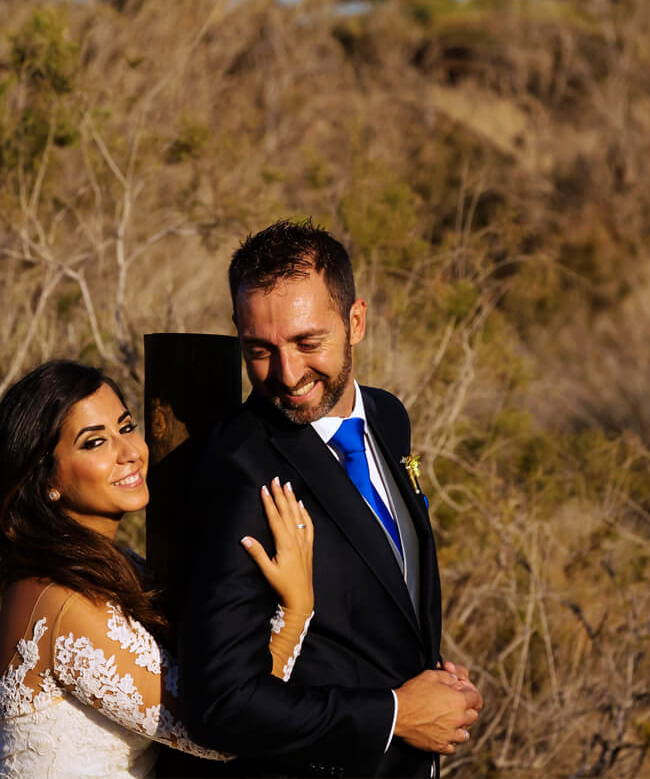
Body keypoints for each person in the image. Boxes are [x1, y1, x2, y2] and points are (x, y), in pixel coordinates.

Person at [180, 220, 482, 776]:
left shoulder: (389, 418)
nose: (288, 373)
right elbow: (220, 704)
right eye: (260, 349)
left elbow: (377, 593)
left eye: (307, 342)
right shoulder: (237, 471)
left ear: (356, 321)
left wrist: (431, 679)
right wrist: (394, 714)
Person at [0, 359, 318, 778]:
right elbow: (222, 733)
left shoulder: (110, 566)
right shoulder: (64, 600)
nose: (130, 452)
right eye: (94, 443)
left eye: (126, 428)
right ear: (45, 479)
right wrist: (295, 609)